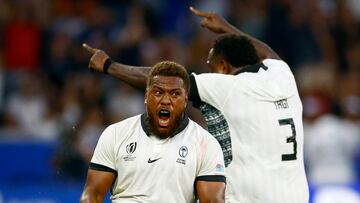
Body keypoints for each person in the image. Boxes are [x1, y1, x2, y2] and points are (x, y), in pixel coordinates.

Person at [83, 6, 309, 203]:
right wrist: (227, 27)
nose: (209, 70)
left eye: (210, 65)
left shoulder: (226, 87)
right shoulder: (282, 74)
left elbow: (166, 82)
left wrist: (109, 65)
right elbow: (267, 53)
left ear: (222, 67)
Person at [80, 61, 226, 203]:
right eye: (158, 92)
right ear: (146, 97)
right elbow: (92, 196)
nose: (166, 100)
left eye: (175, 94)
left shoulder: (206, 143)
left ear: (186, 100)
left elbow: (213, 201)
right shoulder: (116, 134)